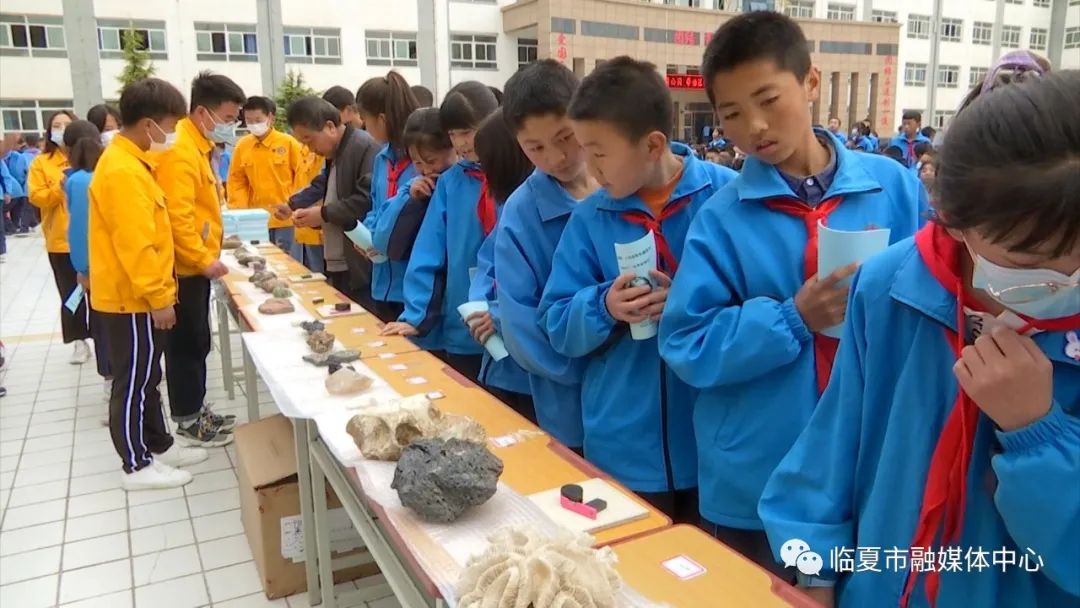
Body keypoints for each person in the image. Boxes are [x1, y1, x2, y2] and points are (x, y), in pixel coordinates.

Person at [759, 70, 1079, 608]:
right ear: (953, 220)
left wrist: (1038, 433)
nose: (1067, 279)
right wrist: (812, 569)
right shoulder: (890, 286)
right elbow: (832, 447)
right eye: (1032, 262)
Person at [658, 11, 928, 572]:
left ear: (810, 83)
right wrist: (790, 318)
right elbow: (685, 341)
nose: (754, 126)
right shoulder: (721, 219)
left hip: (873, 457)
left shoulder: (895, 187)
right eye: (732, 113)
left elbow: (937, 304)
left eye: (768, 99)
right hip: (759, 473)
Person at [539, 56, 738, 523]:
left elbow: (760, 301)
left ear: (653, 145)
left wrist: (689, 306)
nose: (590, 165)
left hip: (713, 445)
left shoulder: (726, 198)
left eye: (600, 152)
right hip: (621, 445)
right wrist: (604, 304)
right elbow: (555, 321)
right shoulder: (591, 218)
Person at [89, 77, 209, 491]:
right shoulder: (122, 171)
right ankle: (136, 465)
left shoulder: (134, 163)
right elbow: (137, 245)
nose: (172, 135)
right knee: (133, 382)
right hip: (130, 299)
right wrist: (159, 298)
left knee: (147, 378)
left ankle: (158, 444)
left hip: (138, 294)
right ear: (147, 125)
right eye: (170, 125)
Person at [495, 59, 599, 452]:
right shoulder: (521, 216)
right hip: (569, 408)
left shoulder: (622, 188)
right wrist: (596, 376)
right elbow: (522, 328)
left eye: (565, 137)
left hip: (642, 410)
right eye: (535, 147)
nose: (556, 157)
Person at [380, 82, 500, 382]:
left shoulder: (516, 176)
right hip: (463, 325)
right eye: (453, 135)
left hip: (510, 324)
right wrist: (415, 316)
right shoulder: (450, 183)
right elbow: (428, 252)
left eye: (468, 131)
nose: (461, 143)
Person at [155, 71, 244, 447]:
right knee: (187, 344)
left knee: (198, 341)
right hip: (185, 268)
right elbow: (179, 216)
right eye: (227, 118)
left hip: (197, 263)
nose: (231, 126)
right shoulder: (180, 152)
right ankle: (188, 420)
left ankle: (195, 407)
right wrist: (201, 257)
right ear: (203, 112)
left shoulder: (197, 148)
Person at [467, 108, 536, 421]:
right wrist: (479, 306)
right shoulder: (507, 206)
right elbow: (487, 262)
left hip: (529, 372)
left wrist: (496, 313)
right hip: (497, 357)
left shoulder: (533, 210)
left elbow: (546, 292)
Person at [284, 97, 380, 309]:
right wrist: (315, 216)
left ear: (330, 127)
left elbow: (366, 200)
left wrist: (323, 214)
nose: (309, 149)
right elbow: (332, 193)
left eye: (309, 140)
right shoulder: (335, 152)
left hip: (360, 262)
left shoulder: (364, 147)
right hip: (339, 258)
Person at [28, 109, 95, 364]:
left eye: (66, 125)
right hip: (59, 240)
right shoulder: (42, 162)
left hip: (90, 238)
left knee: (95, 294)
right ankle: (78, 341)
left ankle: (102, 338)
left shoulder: (90, 160)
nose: (61, 130)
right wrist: (60, 188)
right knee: (70, 293)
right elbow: (36, 196)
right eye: (56, 125)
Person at [354, 72, 422, 322]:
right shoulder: (381, 159)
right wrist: (366, 237)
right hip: (382, 281)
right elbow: (376, 207)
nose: (365, 127)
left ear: (381, 119)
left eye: (366, 120)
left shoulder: (423, 163)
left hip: (414, 285)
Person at [63, 120, 113, 401]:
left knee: (102, 325)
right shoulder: (109, 176)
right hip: (119, 267)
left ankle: (110, 382)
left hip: (95, 268)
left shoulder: (75, 181)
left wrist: (82, 268)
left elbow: (78, 229)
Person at [228, 96, 305, 260]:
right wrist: (239, 213)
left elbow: (301, 177)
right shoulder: (242, 146)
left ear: (270, 118)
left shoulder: (288, 143)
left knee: (288, 263)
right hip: (256, 220)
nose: (254, 124)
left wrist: (296, 207)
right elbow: (237, 182)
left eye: (258, 119)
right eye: (249, 120)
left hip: (286, 219)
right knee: (261, 263)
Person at [2, 134, 30, 235]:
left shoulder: (15, 156)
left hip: (14, 191)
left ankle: (11, 229)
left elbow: (8, 176)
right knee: (14, 213)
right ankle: (13, 228)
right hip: (15, 190)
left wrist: (8, 192)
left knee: (4, 212)